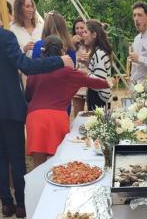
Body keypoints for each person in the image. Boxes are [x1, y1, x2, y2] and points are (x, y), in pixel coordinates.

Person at [0, 0, 73, 218]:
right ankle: (22, 204)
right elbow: (27, 66)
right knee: (16, 155)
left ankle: (6, 203)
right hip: (10, 104)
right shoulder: (5, 36)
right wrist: (60, 61)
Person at [25, 36, 109, 167]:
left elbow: (28, 96)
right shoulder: (68, 72)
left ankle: (39, 187)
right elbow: (92, 82)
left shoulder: (35, 70)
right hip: (57, 118)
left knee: (38, 164)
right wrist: (108, 82)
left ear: (43, 51)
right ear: (62, 52)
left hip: (35, 117)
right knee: (58, 162)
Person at [83, 19, 113, 110]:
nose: (83, 35)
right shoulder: (98, 52)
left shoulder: (99, 53)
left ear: (94, 35)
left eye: (85, 32)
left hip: (98, 98)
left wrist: (85, 74)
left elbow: (99, 80)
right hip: (99, 97)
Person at [71, 17, 89, 116]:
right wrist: (71, 44)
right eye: (77, 28)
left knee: (93, 114)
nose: (79, 31)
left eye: (82, 28)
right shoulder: (72, 44)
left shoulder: (91, 43)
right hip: (77, 83)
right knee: (78, 115)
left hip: (89, 81)